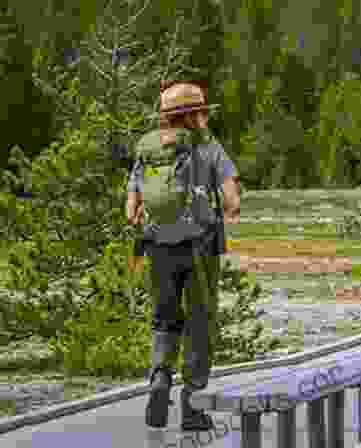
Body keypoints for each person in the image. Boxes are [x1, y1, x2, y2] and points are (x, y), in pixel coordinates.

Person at [126, 81, 241, 431]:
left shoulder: (150, 147)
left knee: (164, 318)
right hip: (199, 248)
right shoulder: (209, 148)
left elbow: (131, 205)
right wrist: (228, 206)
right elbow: (232, 199)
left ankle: (160, 376)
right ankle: (192, 407)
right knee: (200, 323)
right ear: (196, 115)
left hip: (158, 247)